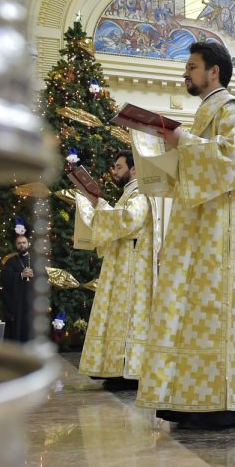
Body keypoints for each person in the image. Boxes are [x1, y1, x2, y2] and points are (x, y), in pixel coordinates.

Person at [131, 41, 235, 429]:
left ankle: (223, 399)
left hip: (222, 238)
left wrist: (184, 143)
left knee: (215, 310)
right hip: (199, 232)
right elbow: (199, 167)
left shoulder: (231, 111)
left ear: (214, 71)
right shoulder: (205, 114)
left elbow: (234, 161)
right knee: (189, 309)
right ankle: (188, 397)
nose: (185, 73)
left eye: (192, 66)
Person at [75, 150, 161, 382]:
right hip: (122, 266)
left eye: (119, 167)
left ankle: (128, 371)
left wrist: (97, 205)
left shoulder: (142, 195)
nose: (114, 171)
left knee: (128, 318)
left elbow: (127, 220)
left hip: (134, 270)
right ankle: (114, 368)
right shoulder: (128, 194)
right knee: (117, 316)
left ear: (134, 169)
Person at [0, 227, 34, 343]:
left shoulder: (36, 260)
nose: (21, 245)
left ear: (28, 244)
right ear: (16, 245)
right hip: (16, 304)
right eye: (19, 243)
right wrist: (20, 275)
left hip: (31, 302)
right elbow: (5, 278)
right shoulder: (11, 261)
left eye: (24, 242)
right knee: (16, 330)